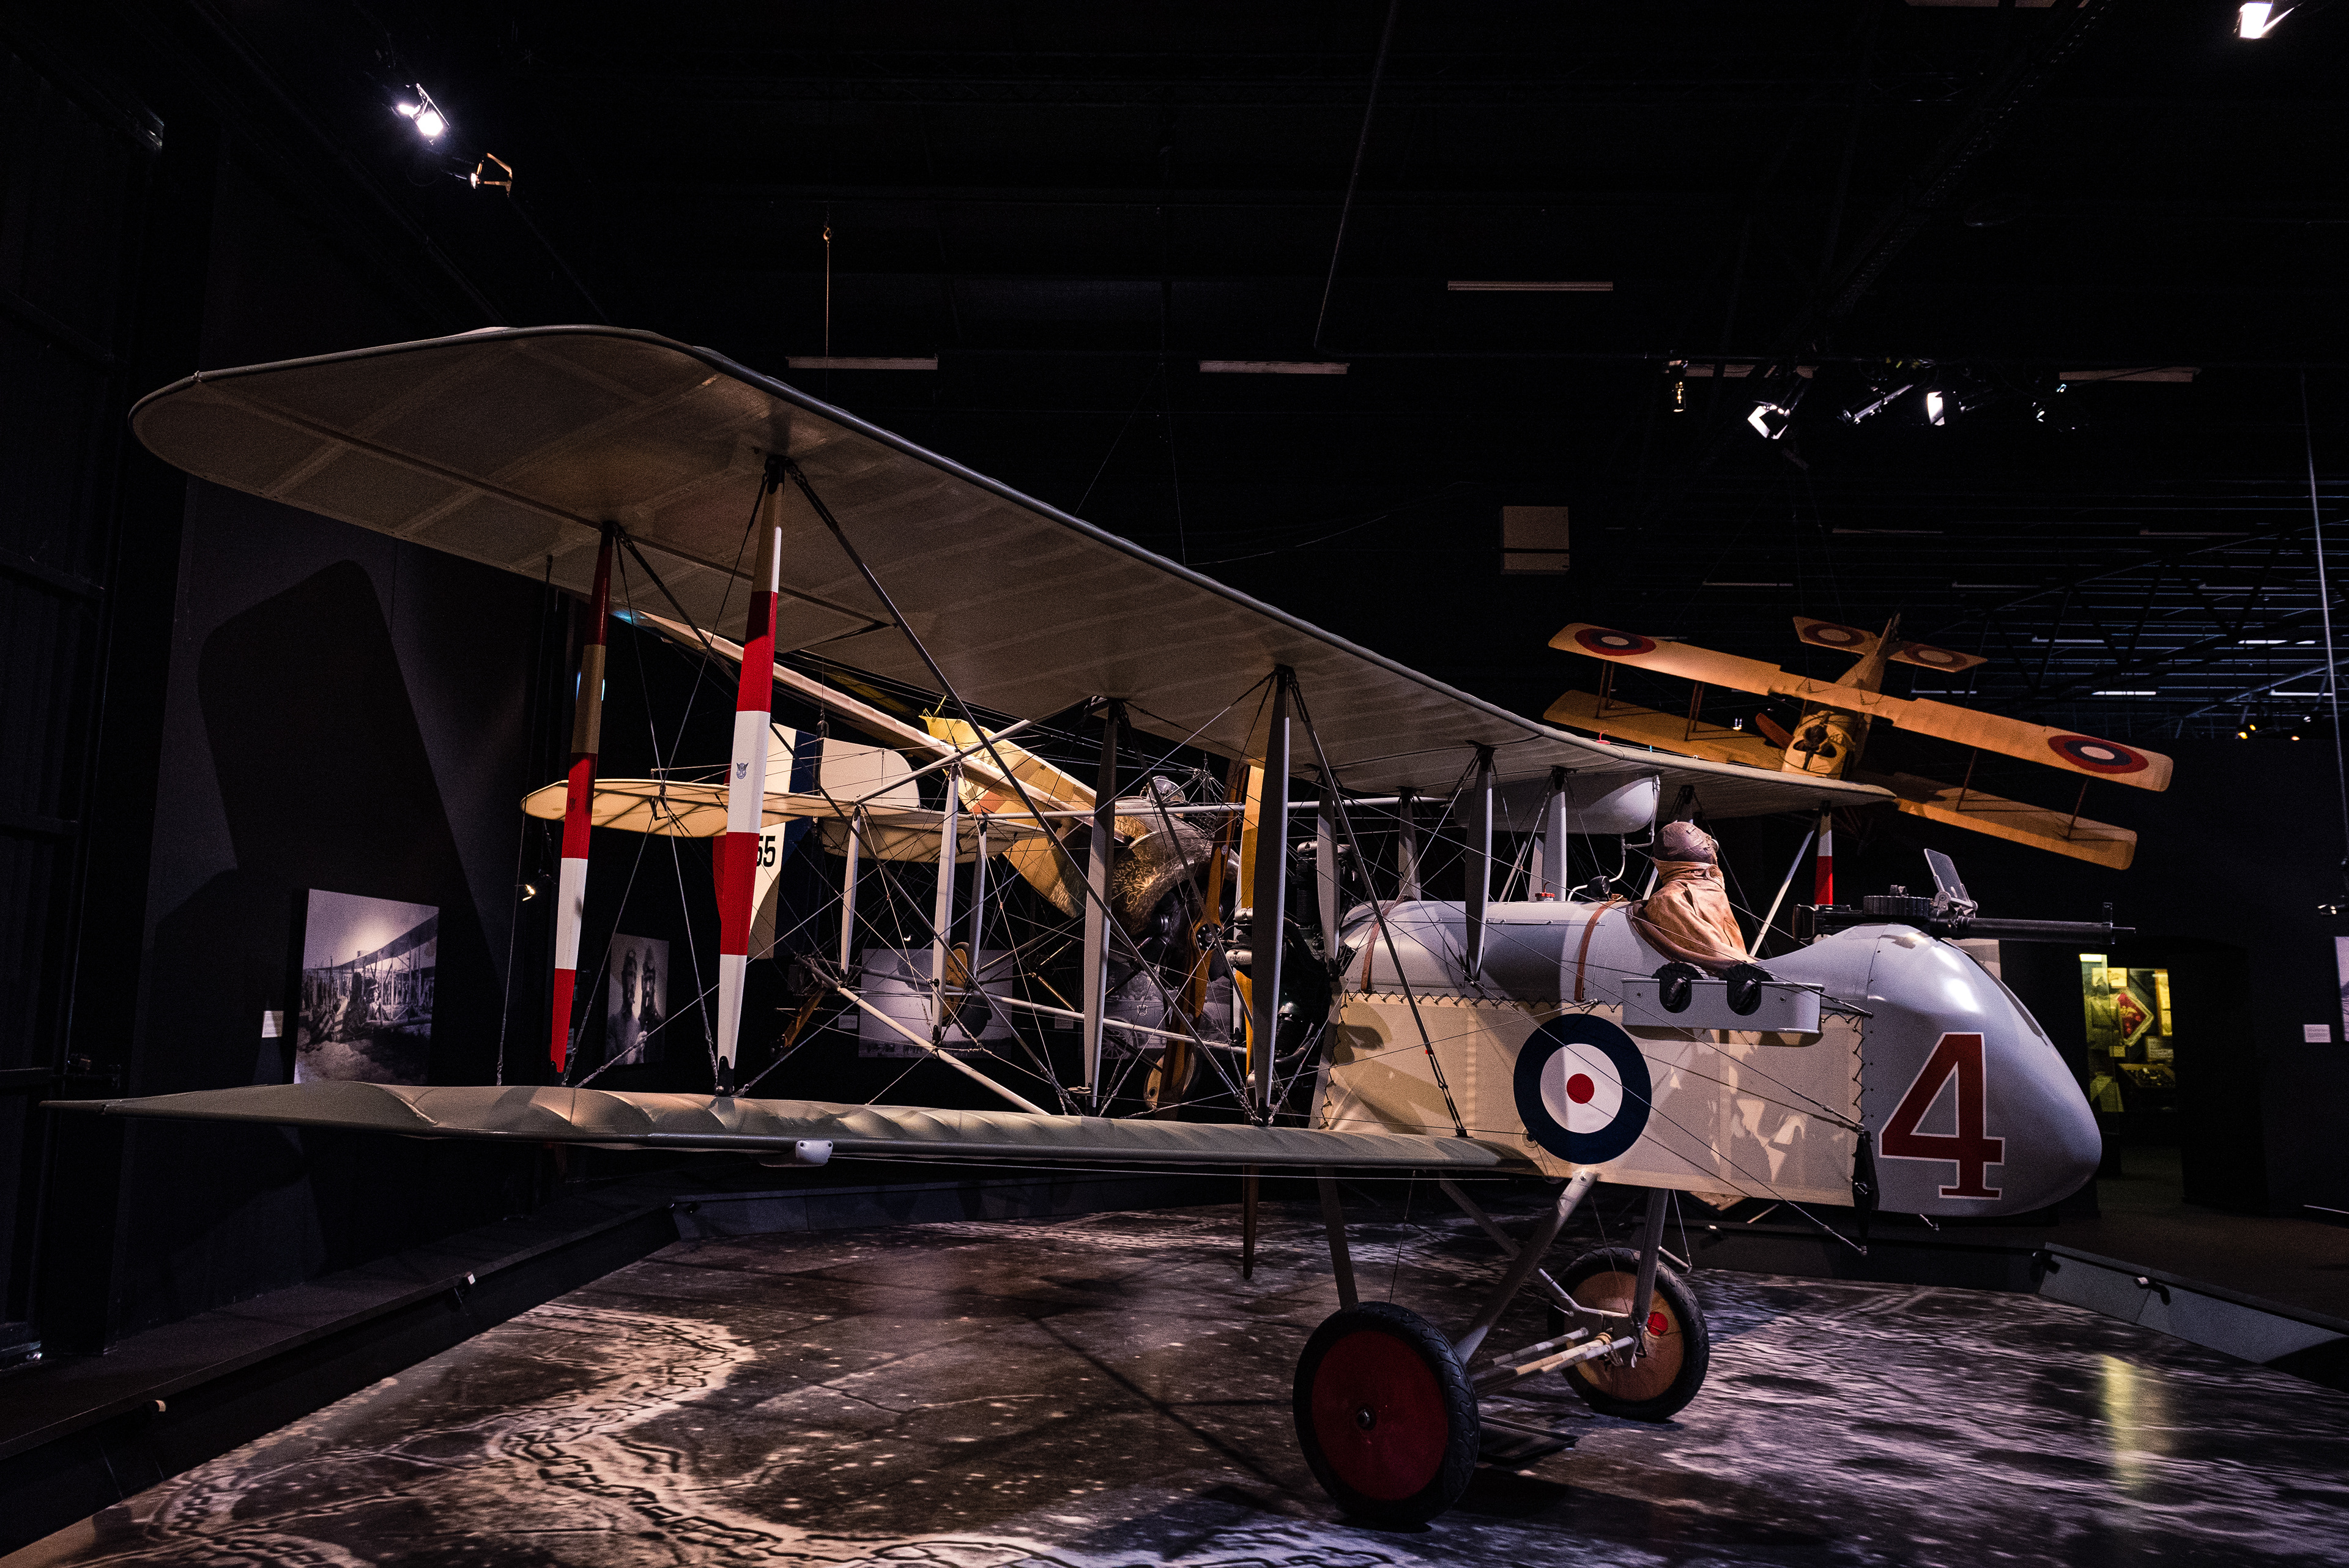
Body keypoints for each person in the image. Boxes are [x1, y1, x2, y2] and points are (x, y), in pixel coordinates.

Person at [1630, 820, 1753, 974]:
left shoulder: (1708, 889)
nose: (1711, 846)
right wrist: (1768, 969)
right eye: (1705, 842)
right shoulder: (1669, 898)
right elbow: (1715, 953)